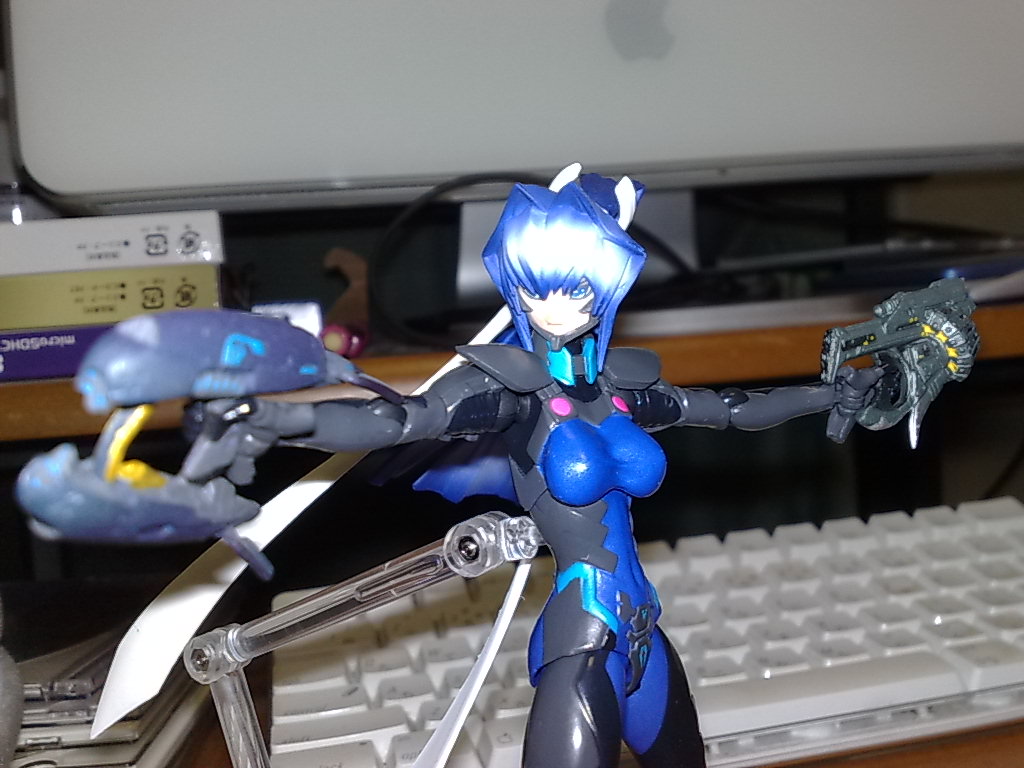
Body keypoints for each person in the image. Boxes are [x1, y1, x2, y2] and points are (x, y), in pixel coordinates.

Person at [229, 164, 882, 767]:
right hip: (582, 635)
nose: (554, 306)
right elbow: (400, 420)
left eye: (574, 289)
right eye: (535, 288)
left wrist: (830, 395)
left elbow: (732, 410)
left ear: (606, 285)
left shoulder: (622, 388)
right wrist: (276, 419)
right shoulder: (510, 393)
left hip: (644, 628)